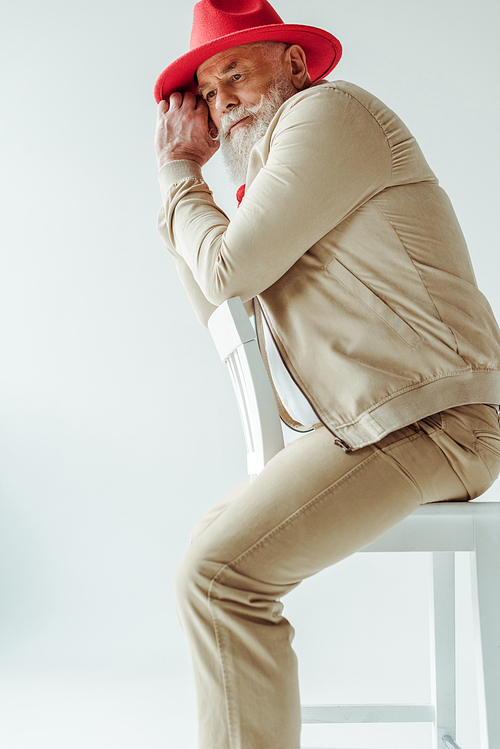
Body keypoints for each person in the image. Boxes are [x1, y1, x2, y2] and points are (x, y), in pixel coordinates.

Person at [154, 1, 500, 747]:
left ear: (297, 65)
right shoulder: (277, 177)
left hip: (435, 423)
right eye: (210, 94)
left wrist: (181, 174)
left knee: (219, 577)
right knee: (208, 549)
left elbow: (224, 269)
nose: (225, 102)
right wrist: (183, 190)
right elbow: (221, 303)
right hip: (374, 424)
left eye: (237, 74)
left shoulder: (328, 116)